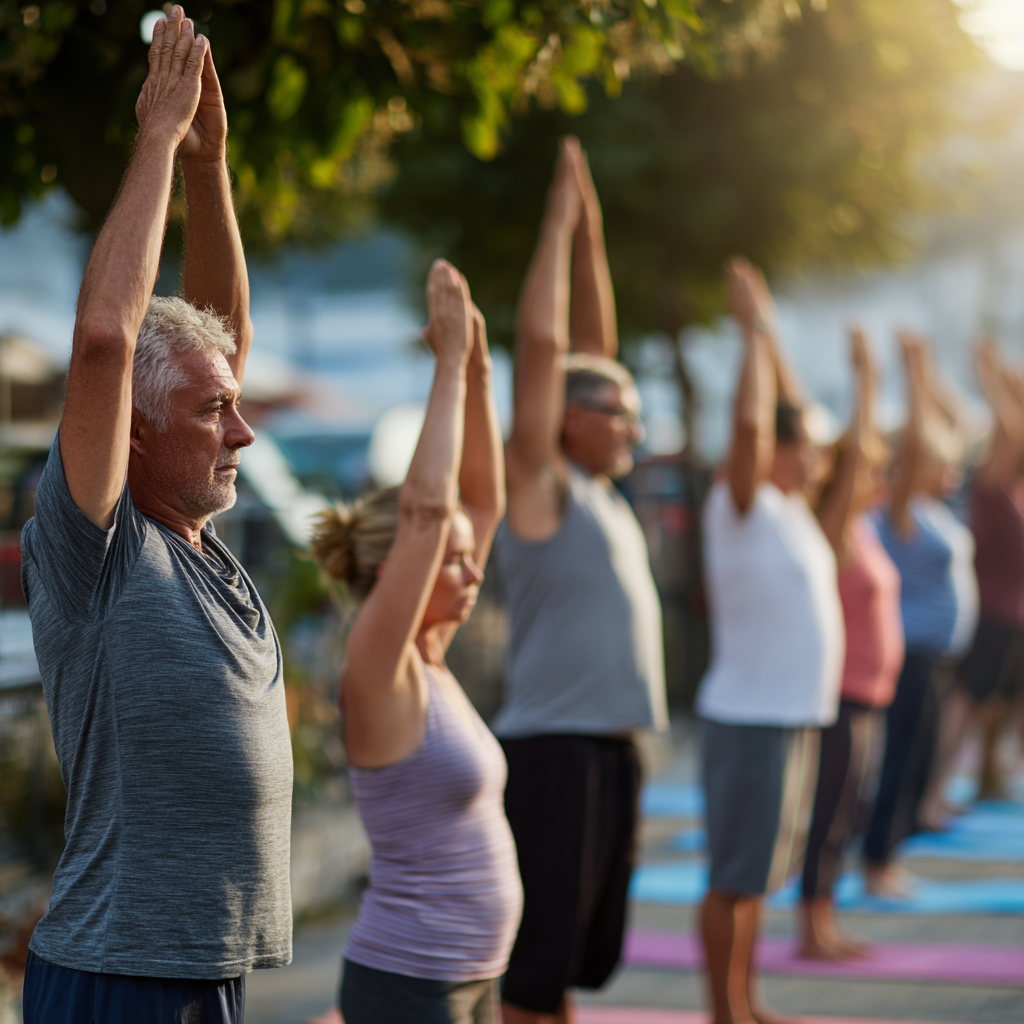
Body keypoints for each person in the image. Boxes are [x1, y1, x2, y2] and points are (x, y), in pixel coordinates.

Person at [21, 9, 292, 1023]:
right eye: (216, 413)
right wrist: (158, 137)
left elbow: (222, 334)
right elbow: (104, 339)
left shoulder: (196, 539)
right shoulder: (100, 550)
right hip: (117, 975)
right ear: (132, 433)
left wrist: (212, 163)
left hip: (196, 972)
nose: (242, 432)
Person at [310, 261, 521, 1024]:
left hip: (471, 979)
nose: (472, 570)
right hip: (409, 985)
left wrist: (479, 365)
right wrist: (447, 369)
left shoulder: (432, 654)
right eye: (451, 559)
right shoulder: (380, 666)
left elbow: (483, 503)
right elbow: (430, 514)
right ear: (400, 565)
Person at [494, 138, 668, 1024]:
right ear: (571, 421)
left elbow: (591, 355)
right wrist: (557, 228)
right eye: (622, 414)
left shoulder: (599, 487)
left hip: (609, 748)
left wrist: (592, 234)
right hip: (553, 751)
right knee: (533, 975)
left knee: (574, 963)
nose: (636, 423)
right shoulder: (540, 485)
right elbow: (544, 349)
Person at [696, 258, 844, 1024]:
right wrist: (752, 334)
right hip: (749, 714)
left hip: (792, 715)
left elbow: (790, 410)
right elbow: (757, 421)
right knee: (733, 875)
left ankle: (746, 1003)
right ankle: (723, 1011)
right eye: (809, 447)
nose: (821, 456)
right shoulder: (739, 504)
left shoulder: (792, 513)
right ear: (778, 455)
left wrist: (774, 332)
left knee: (759, 878)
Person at [798, 330, 904, 960]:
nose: (878, 475)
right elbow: (859, 444)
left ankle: (823, 920)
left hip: (867, 696)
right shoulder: (833, 526)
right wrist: (868, 382)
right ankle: (814, 929)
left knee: (846, 814)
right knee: (829, 819)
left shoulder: (864, 529)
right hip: (839, 696)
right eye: (868, 468)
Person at [863, 333, 978, 896]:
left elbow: (947, 431)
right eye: (939, 462)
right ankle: (875, 860)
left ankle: (888, 855)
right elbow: (913, 445)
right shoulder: (901, 509)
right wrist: (914, 376)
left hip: (936, 654)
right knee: (902, 762)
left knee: (922, 760)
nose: (950, 470)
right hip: (910, 653)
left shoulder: (936, 510)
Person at [920, 341, 1024, 824]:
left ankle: (983, 779)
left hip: (1011, 617)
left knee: (995, 708)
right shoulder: (992, 483)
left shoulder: (1014, 487)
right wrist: (992, 380)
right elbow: (1010, 426)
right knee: (962, 708)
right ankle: (931, 794)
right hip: (990, 615)